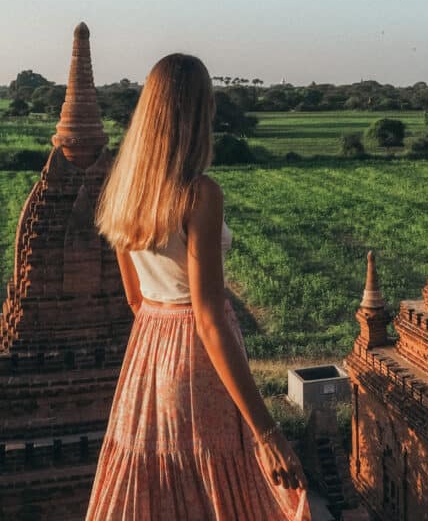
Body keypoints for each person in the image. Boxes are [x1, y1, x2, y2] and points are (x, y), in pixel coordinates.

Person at [87, 53, 311, 521]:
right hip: (197, 361)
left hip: (147, 356)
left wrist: (162, 350)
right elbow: (208, 318)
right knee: (227, 497)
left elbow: (135, 298)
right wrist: (269, 434)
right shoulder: (199, 194)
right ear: (195, 115)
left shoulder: (124, 189)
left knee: (167, 497)